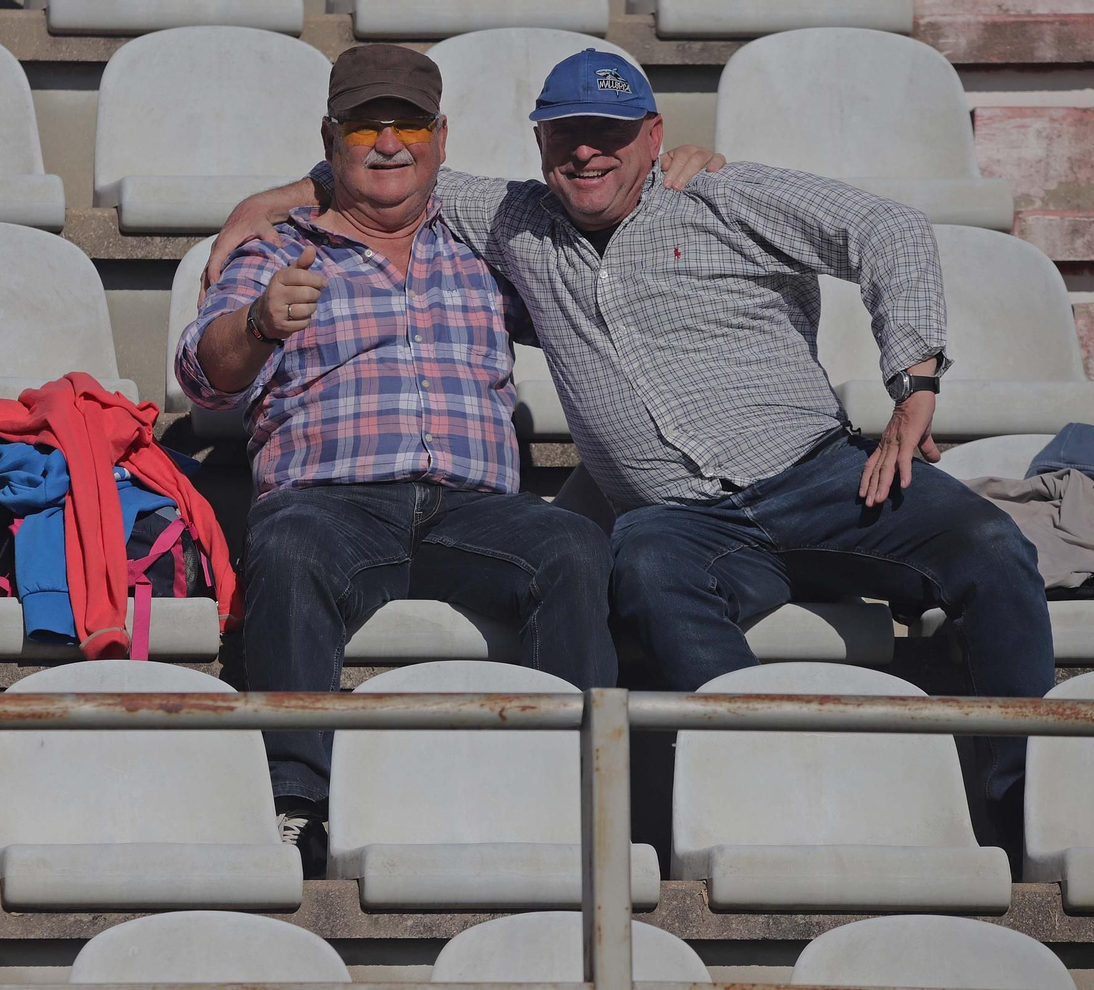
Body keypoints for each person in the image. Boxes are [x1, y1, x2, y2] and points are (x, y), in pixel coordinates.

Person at [212, 48, 1053, 840]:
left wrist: (914, 377)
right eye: (566, 134)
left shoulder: (719, 193)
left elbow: (890, 230)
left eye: (610, 135)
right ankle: (764, 796)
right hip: (681, 519)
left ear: (653, 137)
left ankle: (1021, 812)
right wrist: (279, 197)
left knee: (990, 544)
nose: (587, 153)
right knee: (641, 569)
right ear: (539, 143)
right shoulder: (513, 217)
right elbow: (382, 165)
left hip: (823, 474)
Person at [178, 45, 721, 877]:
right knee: (284, 543)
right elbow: (202, 379)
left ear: (441, 137)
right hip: (331, 500)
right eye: (365, 125)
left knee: (575, 548)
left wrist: (683, 163)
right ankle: (298, 808)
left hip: (474, 509)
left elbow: (612, 241)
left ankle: (575, 807)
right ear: (331, 138)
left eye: (409, 125)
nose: (388, 142)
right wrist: (255, 324)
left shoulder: (490, 241)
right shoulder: (275, 249)